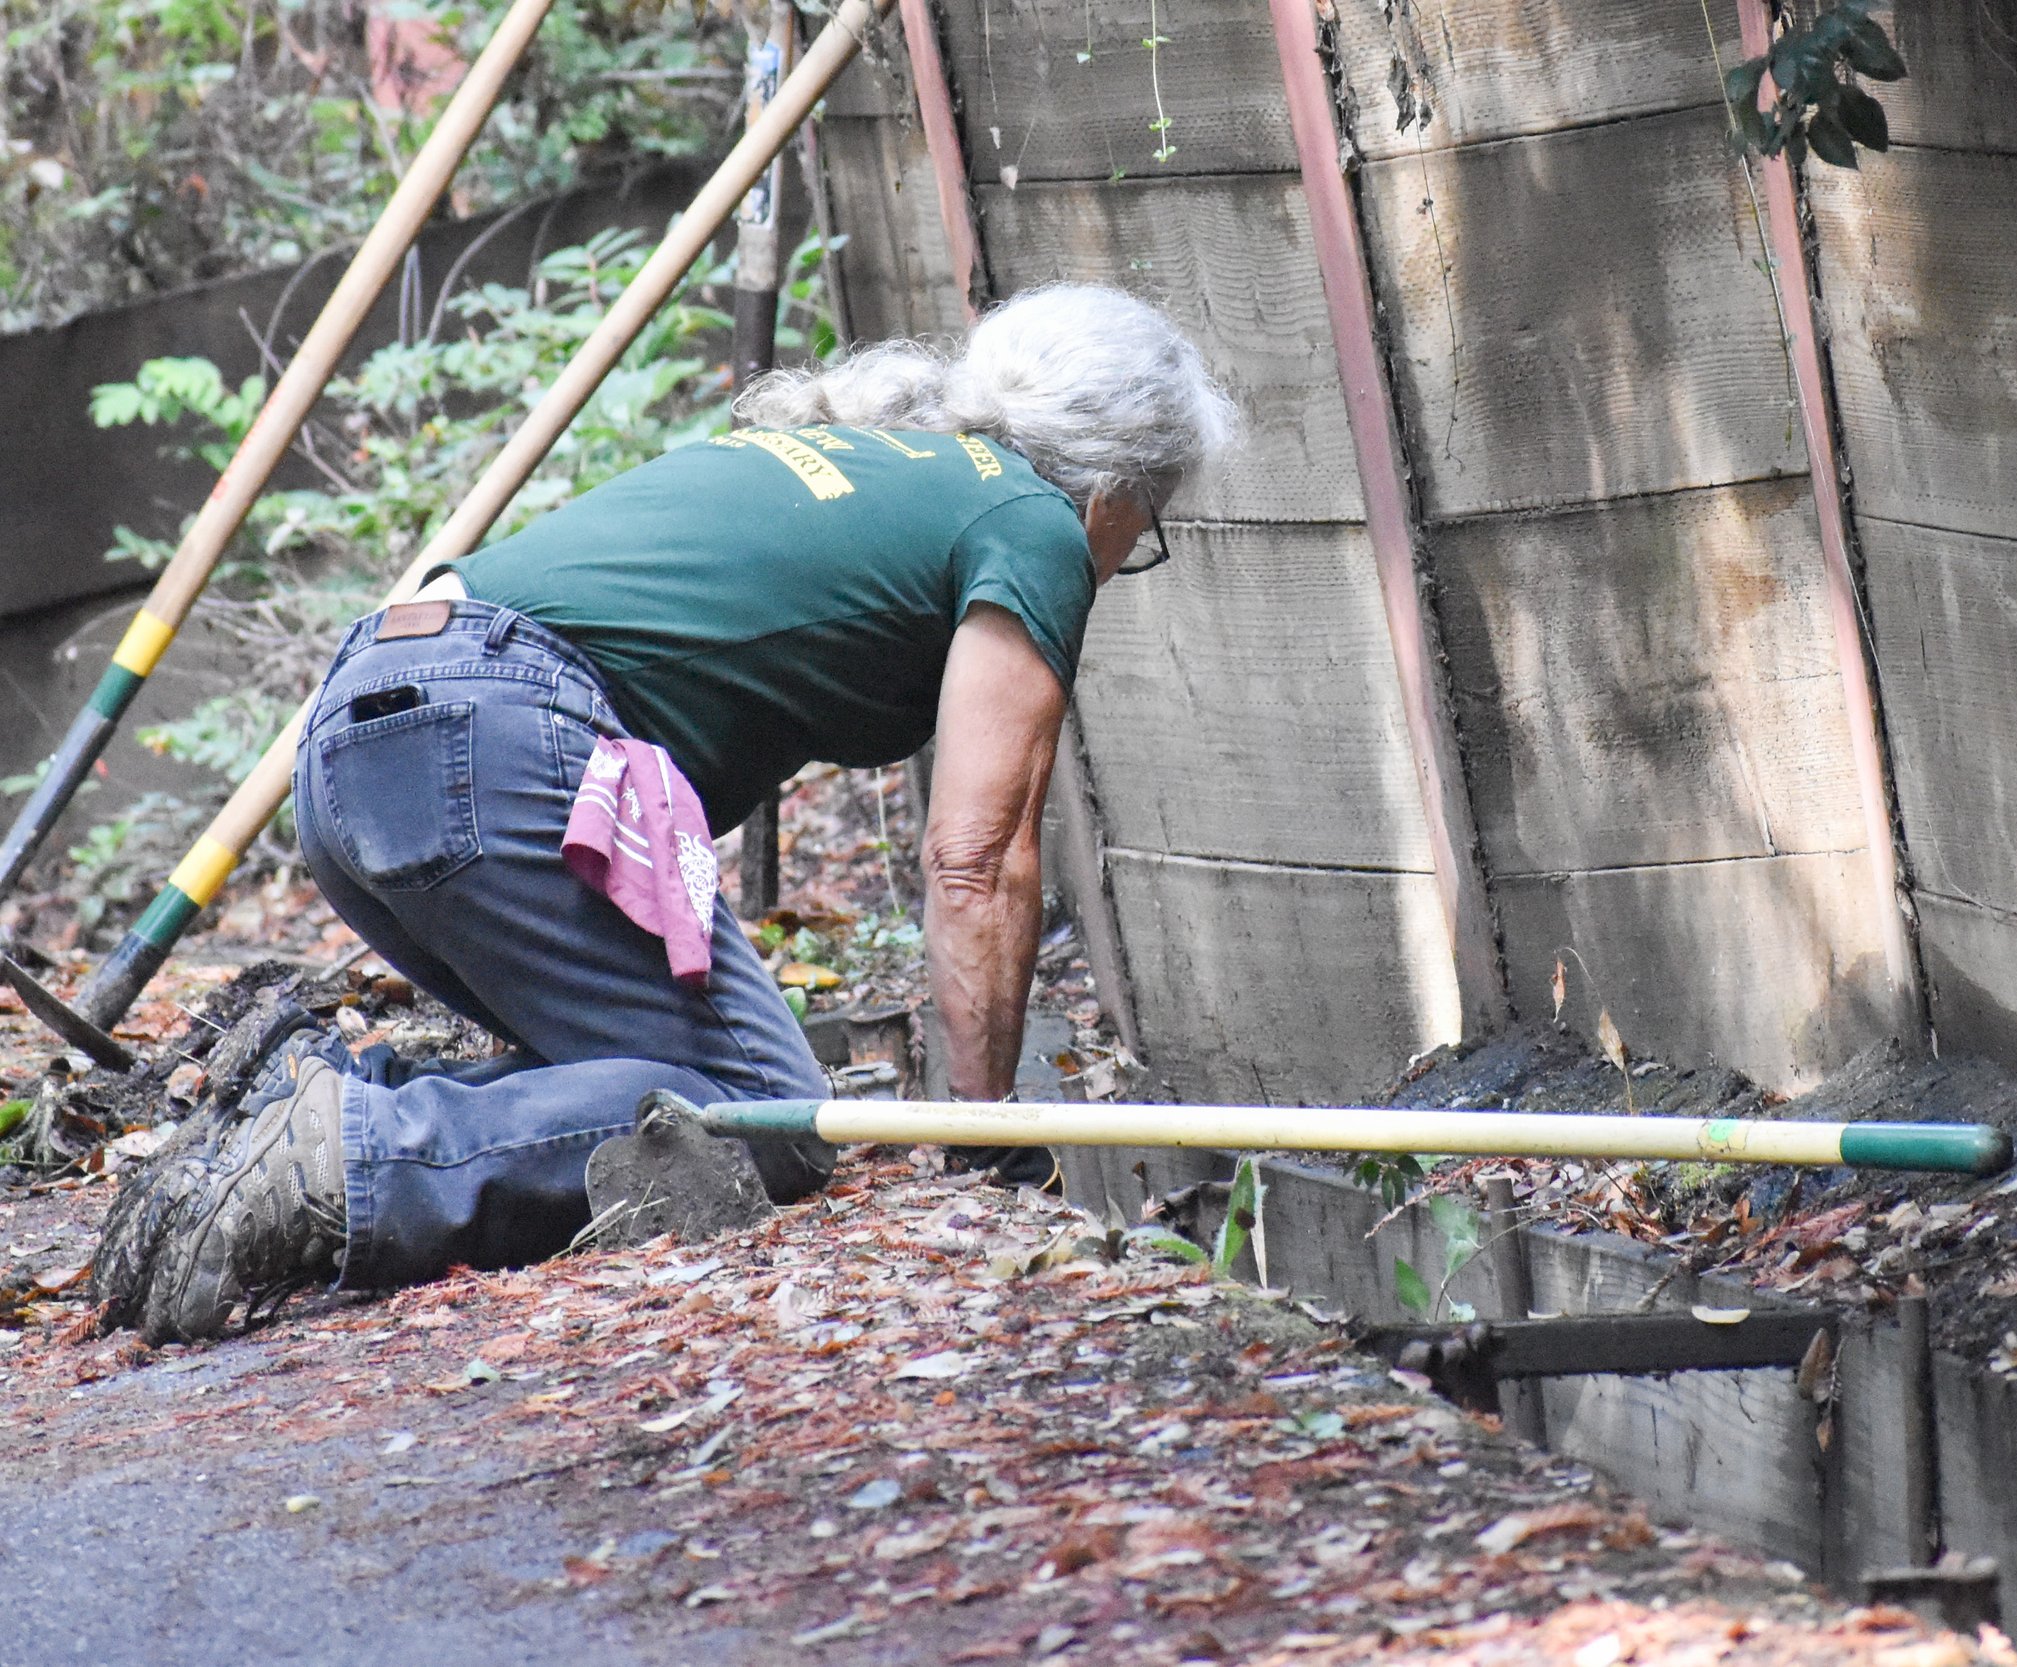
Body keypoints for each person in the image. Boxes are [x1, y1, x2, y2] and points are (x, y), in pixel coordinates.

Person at [96, 283, 1236, 1344]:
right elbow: (979, 859)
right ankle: (346, 1162)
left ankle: (294, 1119)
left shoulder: (868, 456)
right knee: (762, 1114)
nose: (1128, 547)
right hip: (481, 740)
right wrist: (987, 1146)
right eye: (1147, 523)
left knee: (633, 1072)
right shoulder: (1029, 518)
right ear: (1114, 488)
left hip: (359, 737)